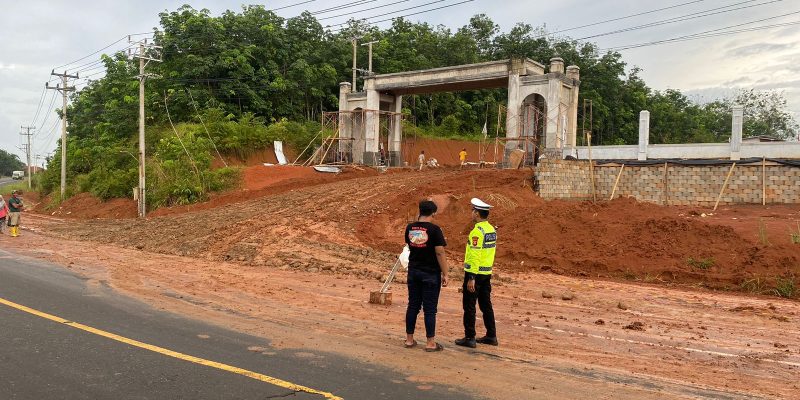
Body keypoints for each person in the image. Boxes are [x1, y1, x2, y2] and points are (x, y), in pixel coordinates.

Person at [404, 200, 449, 352]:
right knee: (430, 309)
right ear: (434, 213)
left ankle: (409, 340)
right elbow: (440, 252)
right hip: (430, 273)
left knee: (413, 306)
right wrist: (446, 273)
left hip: (413, 272)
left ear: (420, 211)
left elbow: (410, 245)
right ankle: (430, 343)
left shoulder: (410, 228)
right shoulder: (435, 230)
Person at [455, 198, 498, 348]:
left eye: (473, 210)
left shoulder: (477, 232)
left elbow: (474, 255)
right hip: (486, 273)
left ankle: (470, 337)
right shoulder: (491, 230)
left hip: (475, 273)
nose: (472, 213)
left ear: (477, 213)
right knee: (486, 305)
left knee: (469, 305)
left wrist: (471, 277)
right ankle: (491, 335)